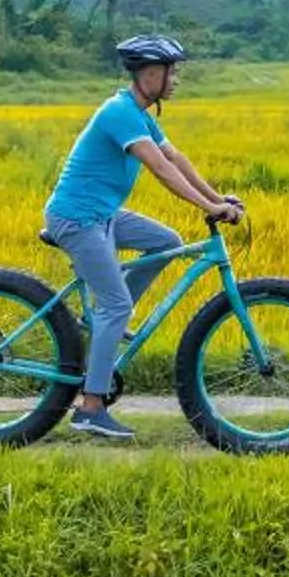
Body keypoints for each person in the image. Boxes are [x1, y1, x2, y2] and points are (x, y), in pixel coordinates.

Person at [41, 32, 244, 441]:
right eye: (172, 72)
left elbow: (176, 158)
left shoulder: (140, 113)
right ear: (150, 73)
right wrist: (208, 210)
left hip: (103, 216)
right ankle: (90, 407)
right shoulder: (119, 112)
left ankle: (101, 322)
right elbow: (160, 169)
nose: (176, 80)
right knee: (115, 304)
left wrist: (215, 197)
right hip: (77, 218)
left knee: (166, 241)